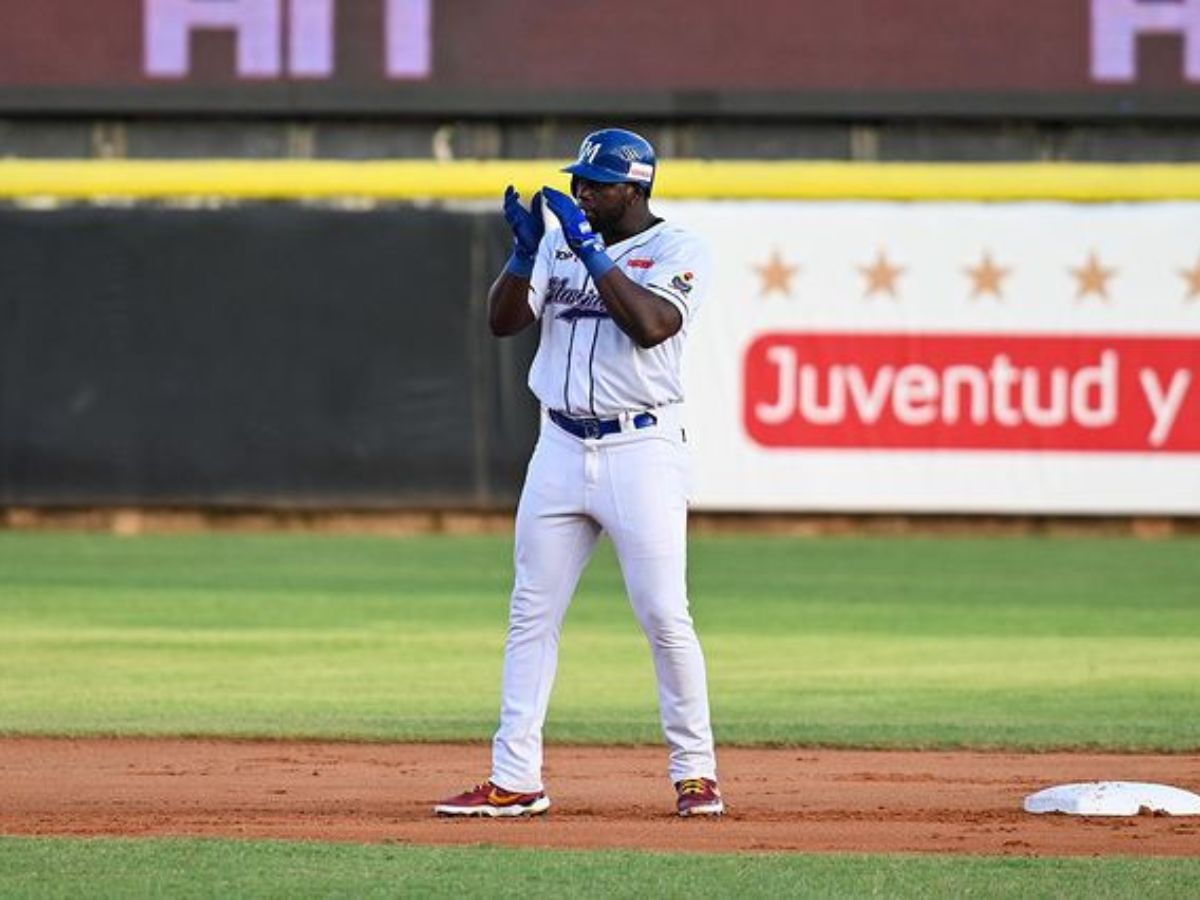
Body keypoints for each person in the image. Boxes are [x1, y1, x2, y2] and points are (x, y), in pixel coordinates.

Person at [434, 128, 722, 818]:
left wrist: (589, 251)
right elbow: (505, 323)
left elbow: (652, 325)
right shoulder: (561, 237)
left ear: (635, 188)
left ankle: (696, 773)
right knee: (530, 615)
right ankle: (515, 778)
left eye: (596, 183)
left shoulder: (680, 249)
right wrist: (524, 254)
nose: (581, 192)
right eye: (579, 180)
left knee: (663, 614)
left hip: (641, 449)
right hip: (559, 447)